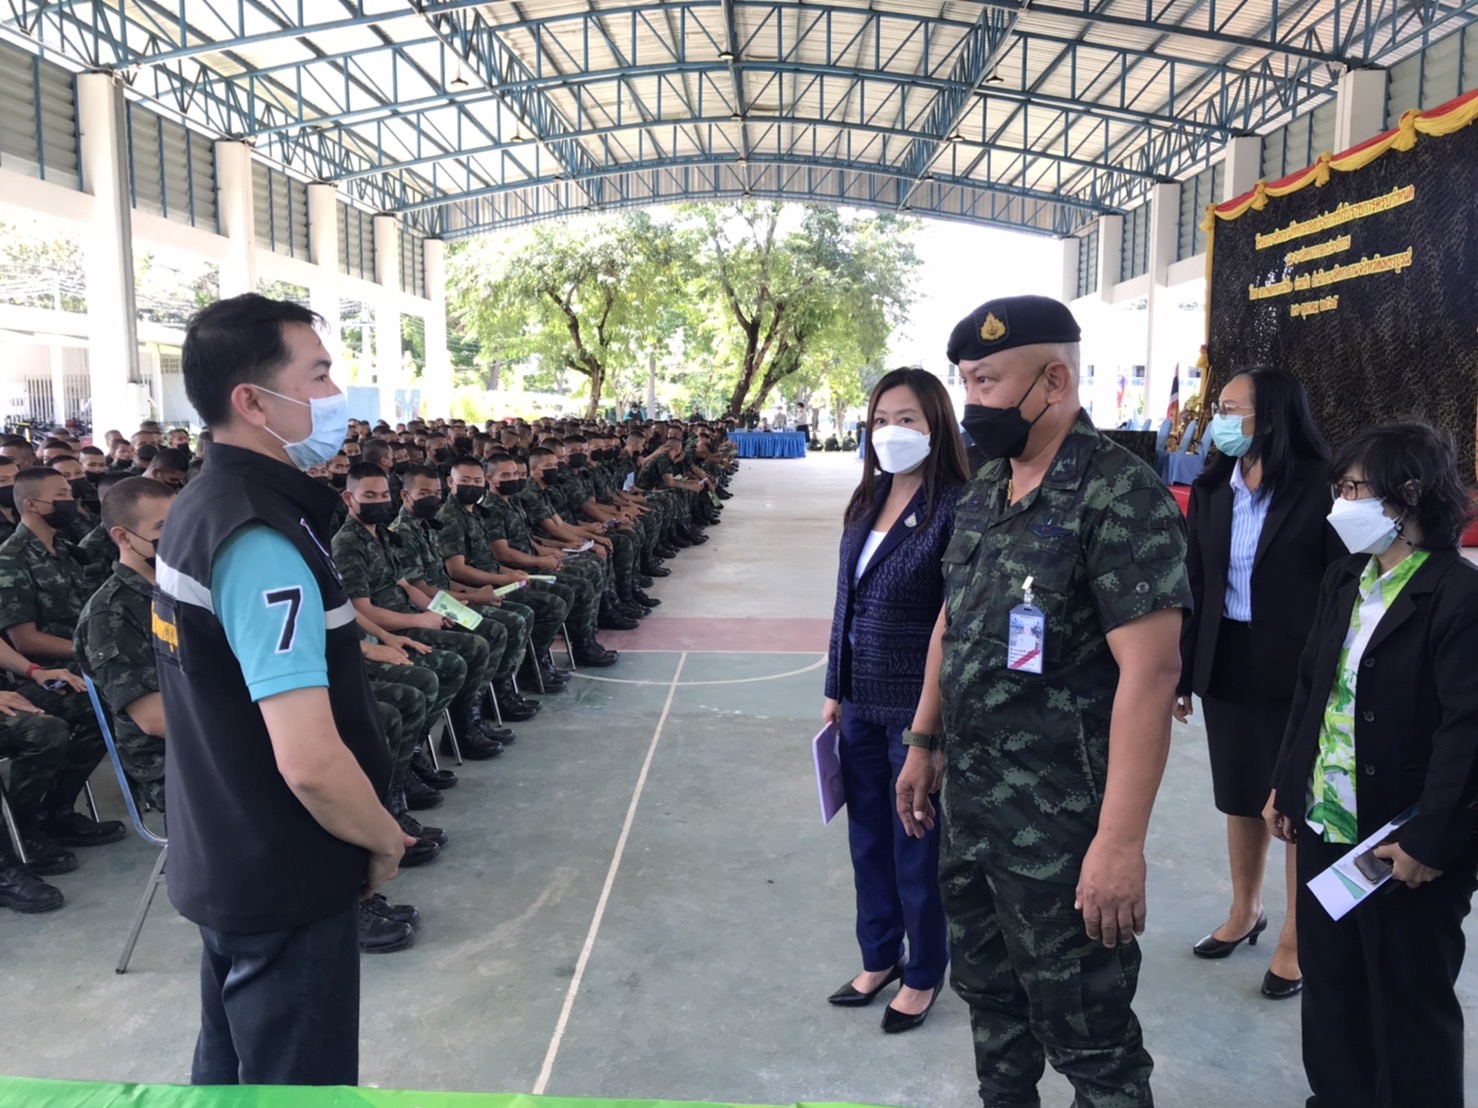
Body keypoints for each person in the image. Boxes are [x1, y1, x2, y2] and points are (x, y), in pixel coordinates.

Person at [895, 295, 1190, 1108]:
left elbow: (1152, 675)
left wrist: (1119, 845)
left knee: (1091, 1044)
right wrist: (925, 741)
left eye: (986, 380)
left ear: (1053, 379)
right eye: (964, 381)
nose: (972, 403)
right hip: (975, 815)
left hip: (1064, 834)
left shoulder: (1119, 497)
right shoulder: (988, 489)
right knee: (992, 1013)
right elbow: (953, 622)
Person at [156, 293, 412, 1086]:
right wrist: (381, 837)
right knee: (296, 1086)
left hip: (227, 849)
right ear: (252, 401)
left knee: (234, 1077)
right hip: (283, 869)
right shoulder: (258, 537)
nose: (336, 397)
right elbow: (308, 759)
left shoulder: (204, 507)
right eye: (321, 374)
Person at [1266, 421, 1478, 1108]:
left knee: (1408, 1004)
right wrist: (1288, 785)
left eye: (1353, 489)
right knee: (1333, 994)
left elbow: (1467, 732)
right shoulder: (1345, 579)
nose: (1340, 504)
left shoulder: (1457, 595)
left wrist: (1429, 840)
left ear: (1408, 496)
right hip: (1330, 822)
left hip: (1405, 838)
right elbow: (1312, 688)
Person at [1175, 368, 1345, 999]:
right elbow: (1195, 582)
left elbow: (1340, 586)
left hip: (1297, 666)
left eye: (1230, 408)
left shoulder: (1319, 489)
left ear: (1269, 417)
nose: (1218, 418)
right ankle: (1246, 909)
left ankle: (1296, 938)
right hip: (1228, 658)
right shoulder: (1215, 485)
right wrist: (1185, 671)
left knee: (1292, 802)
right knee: (1241, 793)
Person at [823, 368, 969, 1033]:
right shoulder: (867, 499)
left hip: (915, 714)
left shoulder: (954, 509)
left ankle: (922, 971)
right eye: (882, 418)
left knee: (917, 848)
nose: (892, 432)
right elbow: (843, 603)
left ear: (937, 425)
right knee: (868, 841)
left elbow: (954, 624)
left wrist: (927, 735)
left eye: (907, 419)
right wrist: (834, 690)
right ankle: (878, 954)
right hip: (858, 704)